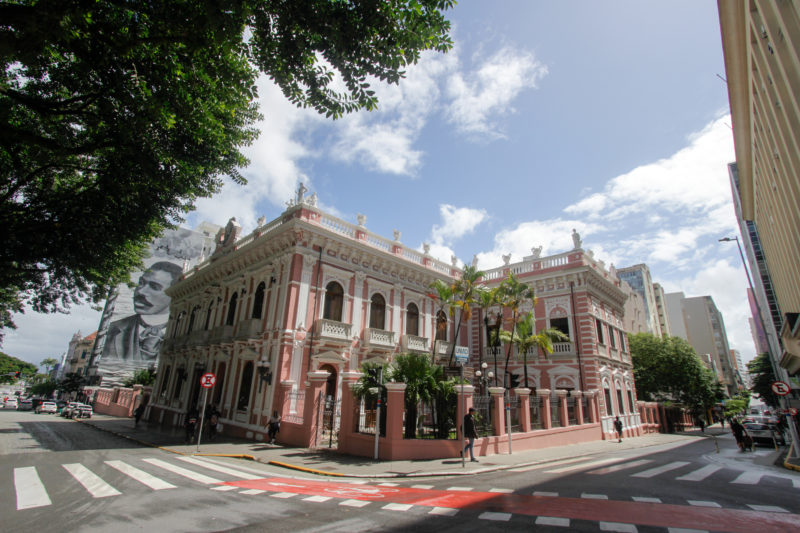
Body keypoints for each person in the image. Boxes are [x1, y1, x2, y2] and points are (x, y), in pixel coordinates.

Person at [102, 261, 183, 361]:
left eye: (154, 287)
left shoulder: (182, 331)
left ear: (175, 293)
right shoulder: (114, 329)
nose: (141, 291)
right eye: (141, 283)